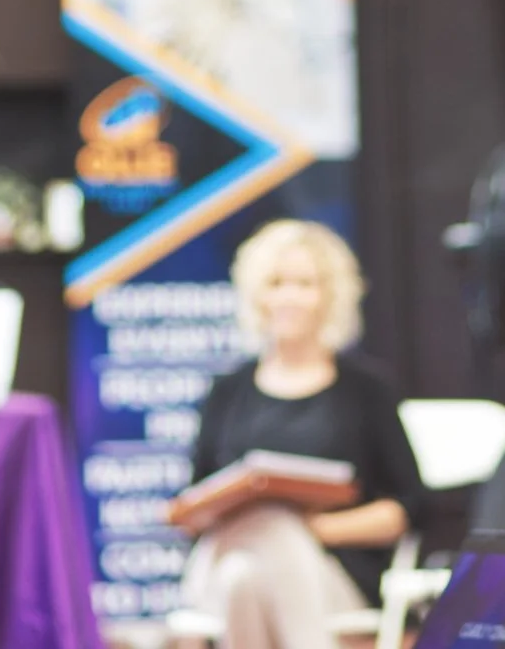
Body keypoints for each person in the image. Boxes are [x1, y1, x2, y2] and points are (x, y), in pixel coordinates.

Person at [178, 220, 425, 649]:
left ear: (330, 296)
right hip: (233, 560)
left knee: (254, 562)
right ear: (257, 295)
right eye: (276, 283)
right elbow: (195, 506)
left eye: (304, 284)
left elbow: (407, 508)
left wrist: (308, 529)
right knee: (240, 573)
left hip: (333, 575)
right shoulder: (227, 392)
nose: (289, 297)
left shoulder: (367, 391)